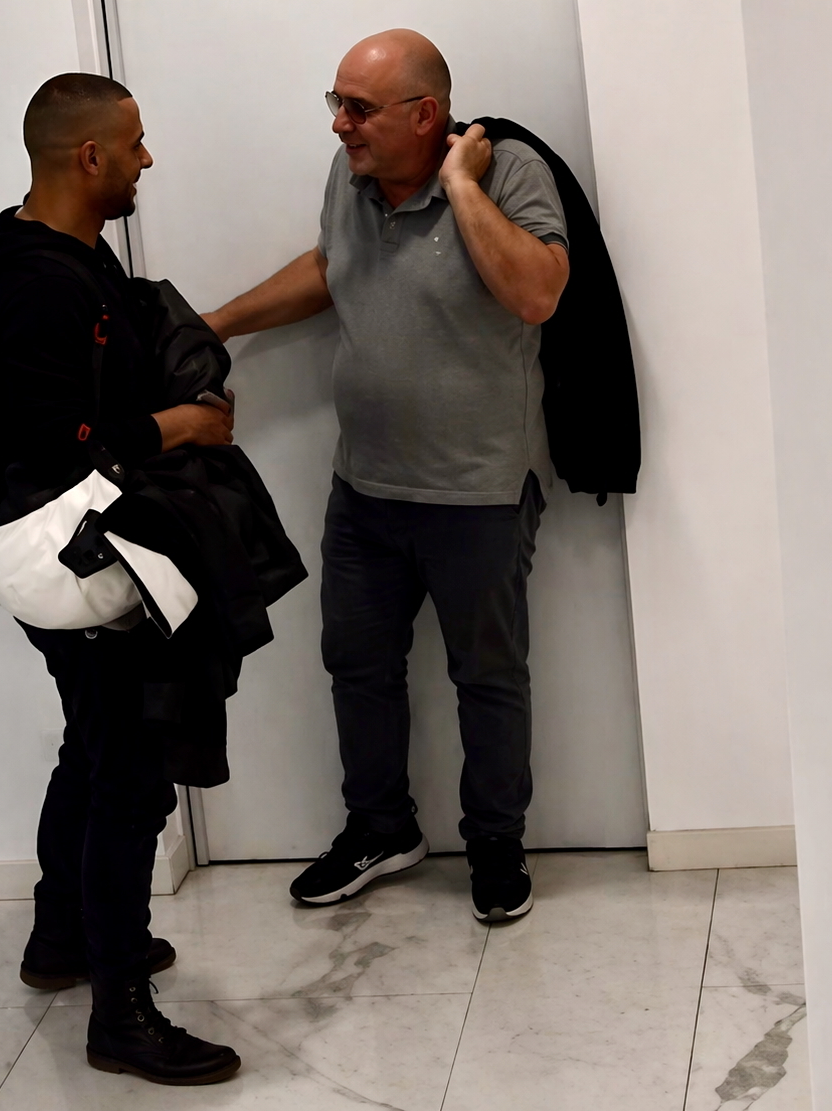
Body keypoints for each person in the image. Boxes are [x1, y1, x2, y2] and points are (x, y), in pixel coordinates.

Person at [201, 30, 570, 923]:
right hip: (364, 489)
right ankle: (379, 827)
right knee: (357, 666)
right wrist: (217, 323)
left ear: (427, 114)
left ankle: (494, 844)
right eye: (334, 103)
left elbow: (538, 293)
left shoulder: (506, 170)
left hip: (478, 490)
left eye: (357, 108)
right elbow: (331, 268)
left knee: (489, 676)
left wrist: (459, 187)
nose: (340, 126)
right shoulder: (351, 178)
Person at [0, 73, 240, 1085]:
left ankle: (62, 937)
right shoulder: (42, 281)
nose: (146, 159)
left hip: (48, 547)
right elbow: (50, 444)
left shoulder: (58, 256)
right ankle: (121, 1011)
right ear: (91, 157)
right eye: (136, 143)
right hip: (62, 554)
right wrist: (184, 425)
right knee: (129, 770)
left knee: (96, 741)